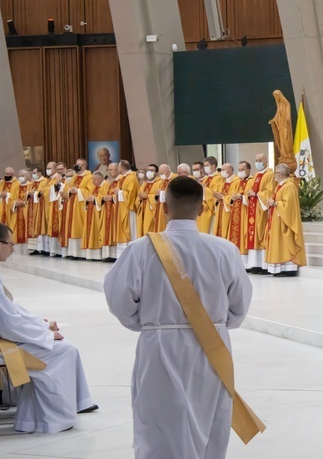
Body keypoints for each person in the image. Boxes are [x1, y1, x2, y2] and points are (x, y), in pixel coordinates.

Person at [104, 177, 252, 458]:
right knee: (211, 421)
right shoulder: (225, 250)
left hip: (160, 346)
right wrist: (216, 326)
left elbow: (118, 299)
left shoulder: (141, 250)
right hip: (214, 349)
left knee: (160, 424)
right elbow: (239, 305)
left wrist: (148, 324)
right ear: (201, 210)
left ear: (164, 207)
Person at [0, 223, 96, 433]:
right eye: (10, 244)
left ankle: (35, 417)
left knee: (61, 347)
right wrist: (45, 335)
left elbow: (9, 309)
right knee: (65, 350)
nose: (13, 249)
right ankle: (51, 419)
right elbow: (6, 322)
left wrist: (41, 325)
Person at [265, 164, 307, 276]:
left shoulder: (289, 186)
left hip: (285, 220)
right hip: (277, 219)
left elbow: (289, 206)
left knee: (285, 242)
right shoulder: (280, 186)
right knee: (278, 243)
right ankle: (279, 267)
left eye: (276, 172)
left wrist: (274, 203)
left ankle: (288, 268)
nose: (274, 175)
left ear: (281, 174)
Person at [244, 154, 275, 273]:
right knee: (253, 235)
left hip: (262, 210)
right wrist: (249, 193)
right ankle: (254, 264)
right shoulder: (256, 175)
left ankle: (263, 265)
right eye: (256, 160)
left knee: (261, 234)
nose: (258, 163)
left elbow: (269, 191)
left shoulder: (270, 175)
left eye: (260, 160)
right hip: (253, 209)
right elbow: (249, 190)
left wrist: (256, 194)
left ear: (266, 162)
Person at [59, 159, 92, 259]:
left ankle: (80, 253)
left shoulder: (89, 177)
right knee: (71, 227)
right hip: (72, 204)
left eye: (79, 165)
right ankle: (73, 252)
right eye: (76, 164)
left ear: (84, 166)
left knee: (78, 226)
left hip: (81, 206)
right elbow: (67, 188)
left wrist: (78, 190)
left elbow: (90, 190)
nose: (77, 166)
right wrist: (69, 190)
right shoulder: (74, 177)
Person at [213, 164, 244, 253]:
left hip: (231, 212)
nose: (221, 171)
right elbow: (217, 195)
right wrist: (217, 198)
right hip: (221, 211)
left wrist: (222, 197)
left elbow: (235, 196)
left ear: (230, 170)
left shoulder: (237, 181)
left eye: (223, 169)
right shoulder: (223, 182)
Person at [115, 160, 139, 258]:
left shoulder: (132, 178)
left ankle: (131, 252)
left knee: (130, 228)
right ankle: (123, 252)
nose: (117, 169)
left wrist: (119, 192)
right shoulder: (122, 178)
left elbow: (131, 195)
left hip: (129, 209)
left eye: (118, 167)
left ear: (123, 168)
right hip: (121, 207)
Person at [82, 171, 109, 261]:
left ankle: (98, 254)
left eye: (95, 180)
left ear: (101, 179)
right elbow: (90, 195)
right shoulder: (94, 187)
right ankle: (91, 255)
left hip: (99, 214)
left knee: (97, 232)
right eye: (92, 179)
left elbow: (104, 197)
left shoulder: (106, 185)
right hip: (91, 212)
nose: (93, 182)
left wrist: (95, 199)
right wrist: (88, 199)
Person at [198, 157, 224, 234]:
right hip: (202, 209)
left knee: (210, 232)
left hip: (211, 210)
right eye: (204, 166)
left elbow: (215, 193)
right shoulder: (206, 179)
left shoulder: (219, 178)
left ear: (213, 166)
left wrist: (204, 189)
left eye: (206, 165)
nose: (205, 168)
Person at [100, 163, 120, 261]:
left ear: (117, 170)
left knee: (115, 230)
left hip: (116, 211)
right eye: (108, 170)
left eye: (111, 170)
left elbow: (124, 195)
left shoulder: (121, 181)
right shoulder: (106, 183)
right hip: (106, 210)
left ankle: (115, 254)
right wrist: (103, 198)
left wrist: (112, 198)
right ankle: (108, 255)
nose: (109, 172)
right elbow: (100, 194)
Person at [137, 164, 162, 238]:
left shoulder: (160, 182)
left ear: (156, 173)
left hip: (153, 212)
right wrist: (140, 198)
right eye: (148, 170)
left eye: (152, 170)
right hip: (143, 212)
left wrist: (147, 196)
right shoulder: (144, 183)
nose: (149, 172)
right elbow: (139, 195)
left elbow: (160, 197)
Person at [26, 168, 47, 255]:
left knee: (39, 225)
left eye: (34, 173)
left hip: (39, 207)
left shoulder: (44, 181)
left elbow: (43, 193)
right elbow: (27, 193)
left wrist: (34, 193)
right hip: (31, 207)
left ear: (39, 173)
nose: (33, 175)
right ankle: (34, 248)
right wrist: (29, 193)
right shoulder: (33, 183)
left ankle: (42, 248)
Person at [12, 169, 31, 252]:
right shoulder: (16, 187)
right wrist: (15, 204)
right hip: (17, 212)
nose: (20, 178)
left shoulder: (31, 185)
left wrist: (24, 203)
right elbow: (11, 199)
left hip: (27, 212)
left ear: (27, 177)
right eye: (19, 176)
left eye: (22, 176)